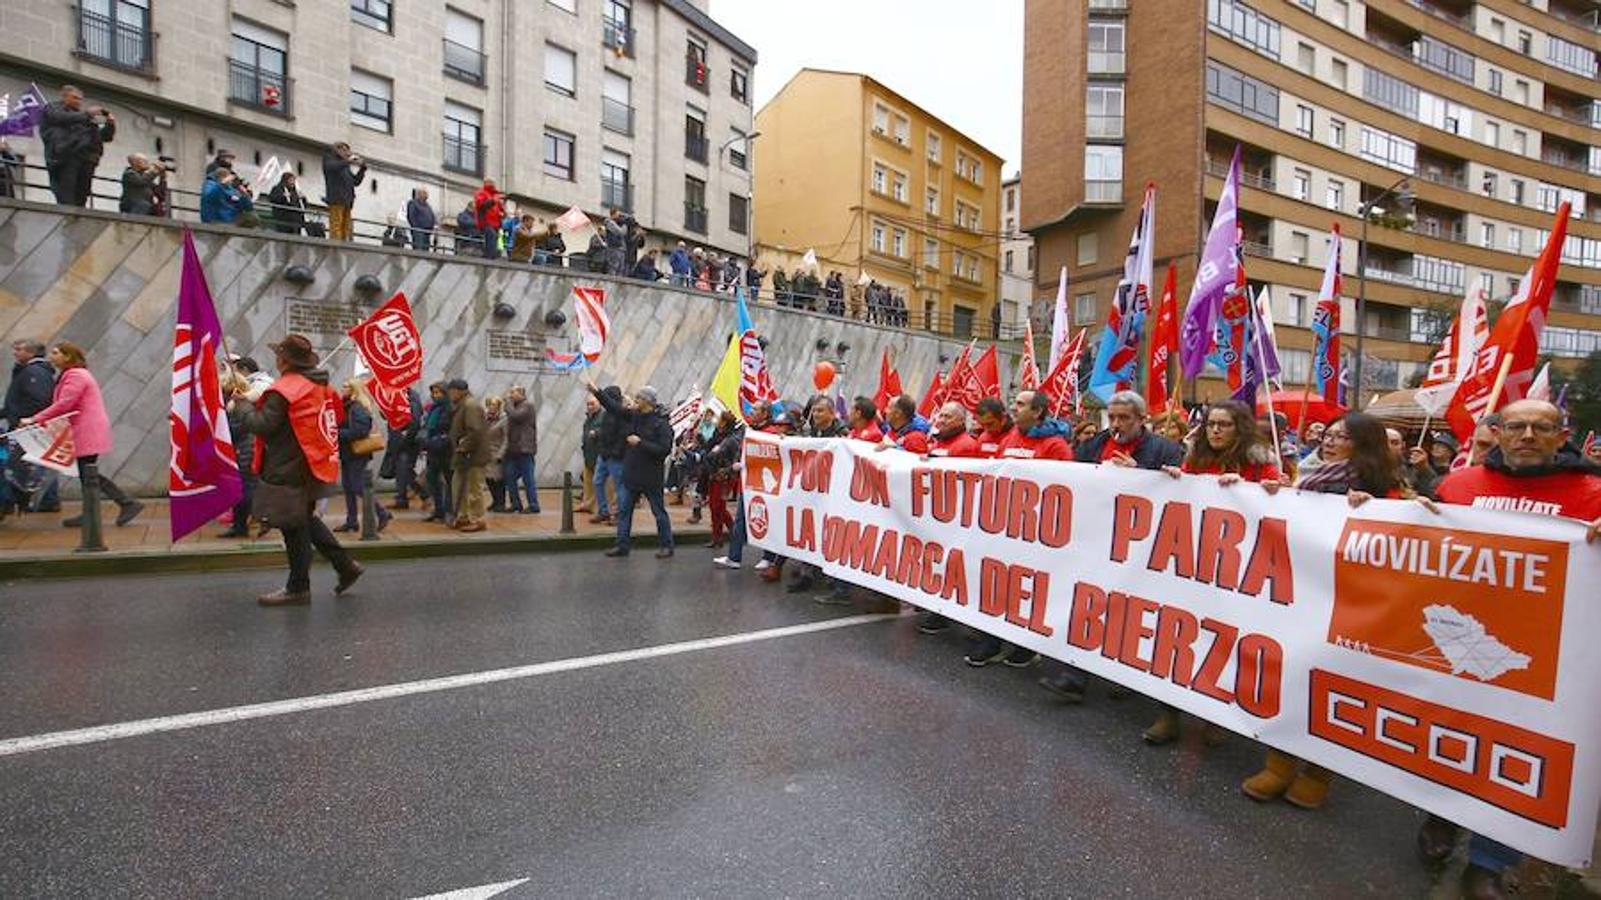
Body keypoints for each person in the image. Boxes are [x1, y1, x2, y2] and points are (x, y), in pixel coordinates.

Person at [1417, 400, 1601, 898]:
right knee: (1451, 737)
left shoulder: (1593, 494)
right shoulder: (1459, 486)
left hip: (1542, 653)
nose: (1526, 435)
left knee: (1515, 753)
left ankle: (1489, 859)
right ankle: (1441, 817)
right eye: (1515, 426)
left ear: (1562, 437)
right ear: (1496, 433)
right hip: (1457, 642)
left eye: (1541, 428)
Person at [1240, 411, 1404, 810]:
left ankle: (1319, 773)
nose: (1329, 442)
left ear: (1364, 445)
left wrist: (1376, 511)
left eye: (1341, 438)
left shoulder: (1389, 492)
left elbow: (1405, 534)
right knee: (1293, 677)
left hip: (1351, 605)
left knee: (1334, 687)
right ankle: (1279, 765)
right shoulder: (1307, 478)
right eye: (1328, 435)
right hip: (1303, 599)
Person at [1145, 400, 1282, 745]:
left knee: (1222, 643)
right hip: (1191, 565)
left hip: (1235, 573)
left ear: (1241, 429)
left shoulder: (1259, 465)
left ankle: (1215, 716)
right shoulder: (1196, 460)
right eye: (1211, 425)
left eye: (1224, 425)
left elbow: (1278, 500)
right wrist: (1176, 481)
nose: (1216, 430)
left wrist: (1254, 491)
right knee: (1178, 638)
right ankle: (1169, 713)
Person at [1036, 390, 1182, 702]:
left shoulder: (1166, 450)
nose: (1116, 424)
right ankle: (1075, 675)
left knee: (1128, 611)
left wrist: (1140, 477)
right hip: (1095, 539)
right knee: (1087, 602)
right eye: (1112, 417)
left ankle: (1126, 675)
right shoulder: (1095, 444)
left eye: (1124, 418)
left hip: (1138, 547)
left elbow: (1177, 494)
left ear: (1141, 419)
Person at [230, 335, 360, 605]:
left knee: (293, 527)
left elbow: (262, 425)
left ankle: (298, 587)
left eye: (279, 355)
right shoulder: (319, 387)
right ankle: (344, 566)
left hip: (287, 467)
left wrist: (241, 406)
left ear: (284, 361)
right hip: (312, 464)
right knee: (305, 520)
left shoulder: (286, 390)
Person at [19, 341, 142, 529]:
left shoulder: (75, 375)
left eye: (56, 352)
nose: (51, 356)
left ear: (68, 356)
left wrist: (34, 419)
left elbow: (65, 404)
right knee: (87, 472)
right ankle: (99, 510)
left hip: (86, 429)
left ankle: (125, 503)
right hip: (84, 429)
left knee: (87, 472)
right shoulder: (72, 374)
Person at [588, 381, 674, 559]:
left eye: (639, 398)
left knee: (659, 512)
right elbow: (614, 408)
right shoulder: (635, 415)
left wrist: (641, 443)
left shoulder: (661, 424)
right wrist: (597, 392)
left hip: (651, 477)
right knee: (624, 511)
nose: (635, 400)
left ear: (648, 401)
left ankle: (667, 545)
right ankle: (622, 545)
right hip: (631, 474)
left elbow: (664, 449)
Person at [40, 85, 115, 207]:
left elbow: (103, 137)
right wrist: (87, 115)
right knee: (66, 192)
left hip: (86, 158)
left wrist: (110, 125)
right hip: (65, 156)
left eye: (80, 99)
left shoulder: (83, 116)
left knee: (82, 193)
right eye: (75, 98)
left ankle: (79, 215)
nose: (78, 101)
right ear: (64, 97)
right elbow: (59, 118)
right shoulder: (53, 108)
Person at [335, 378, 391, 533]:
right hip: (348, 452)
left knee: (357, 486)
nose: (342, 388)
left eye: (346, 386)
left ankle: (382, 512)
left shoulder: (357, 408)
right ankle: (351, 521)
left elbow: (360, 431)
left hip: (357, 453)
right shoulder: (347, 406)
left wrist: (337, 433)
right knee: (348, 487)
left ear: (354, 390)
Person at [447, 378, 489, 532]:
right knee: (460, 486)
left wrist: (463, 448)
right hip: (465, 456)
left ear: (459, 391)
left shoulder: (470, 405)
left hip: (472, 456)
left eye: (451, 391)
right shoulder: (462, 405)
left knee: (473, 488)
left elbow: (475, 431)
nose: (450, 395)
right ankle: (464, 516)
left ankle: (477, 519)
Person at [383, 385, 425, 510]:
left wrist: (405, 439)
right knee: (402, 470)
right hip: (398, 439)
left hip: (406, 441)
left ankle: (419, 495)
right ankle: (404, 497)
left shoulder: (412, 399)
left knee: (404, 469)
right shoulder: (395, 397)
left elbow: (414, 422)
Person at [590, 386, 627, 525]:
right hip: (604, 454)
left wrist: (616, 452)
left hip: (615, 456)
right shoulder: (607, 414)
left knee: (619, 486)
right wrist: (598, 436)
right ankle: (603, 511)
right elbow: (606, 431)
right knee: (597, 481)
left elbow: (623, 435)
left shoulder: (621, 414)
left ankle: (619, 514)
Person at [502, 386, 540, 514]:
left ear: (521, 394)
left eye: (513, 392)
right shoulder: (514, 406)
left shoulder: (527, 406)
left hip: (525, 448)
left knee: (528, 478)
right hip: (513, 449)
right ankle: (515, 503)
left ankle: (533, 504)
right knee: (509, 476)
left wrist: (507, 403)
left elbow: (516, 416)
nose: (510, 395)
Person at [421, 382, 454, 523]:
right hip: (432, 449)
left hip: (445, 450)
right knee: (432, 480)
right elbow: (428, 426)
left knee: (448, 481)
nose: (435, 396)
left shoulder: (449, 408)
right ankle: (438, 509)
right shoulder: (433, 408)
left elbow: (448, 428)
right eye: (434, 393)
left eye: (438, 393)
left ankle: (449, 510)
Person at [322, 142, 366, 241]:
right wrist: (348, 161)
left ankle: (344, 245)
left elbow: (355, 181)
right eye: (345, 150)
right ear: (337, 149)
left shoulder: (345, 165)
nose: (347, 153)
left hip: (347, 200)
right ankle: (335, 246)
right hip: (337, 198)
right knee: (336, 225)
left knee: (346, 227)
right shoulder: (329, 158)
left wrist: (362, 169)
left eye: (348, 150)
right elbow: (332, 167)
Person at [578, 393, 604, 514]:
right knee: (587, 481)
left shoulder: (603, 416)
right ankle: (587, 503)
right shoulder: (588, 418)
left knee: (599, 482)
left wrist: (597, 433)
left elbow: (605, 430)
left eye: (592, 404)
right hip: (588, 452)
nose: (590, 406)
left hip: (598, 453)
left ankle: (599, 507)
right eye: (588, 404)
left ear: (599, 404)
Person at [484, 395, 508, 512]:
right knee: (488, 479)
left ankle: (501, 502)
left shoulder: (504, 419)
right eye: (489, 405)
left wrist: (500, 454)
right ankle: (495, 500)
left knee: (498, 479)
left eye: (493, 405)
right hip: (486, 452)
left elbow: (506, 438)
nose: (491, 408)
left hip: (497, 452)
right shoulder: (486, 418)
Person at [472, 179, 505, 260]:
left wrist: (503, 213)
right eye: (491, 182)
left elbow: (500, 209)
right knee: (491, 236)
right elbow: (481, 205)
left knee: (497, 239)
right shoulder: (481, 192)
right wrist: (493, 201)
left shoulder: (495, 195)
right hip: (485, 221)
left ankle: (493, 256)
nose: (493, 184)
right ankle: (489, 257)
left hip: (496, 223)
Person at [602, 209, 629, 275]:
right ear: (613, 214)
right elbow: (620, 232)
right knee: (613, 267)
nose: (619, 216)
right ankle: (611, 284)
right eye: (618, 214)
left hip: (620, 248)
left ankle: (617, 284)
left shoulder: (617, 223)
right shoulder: (610, 223)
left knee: (620, 269)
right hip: (614, 248)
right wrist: (624, 224)